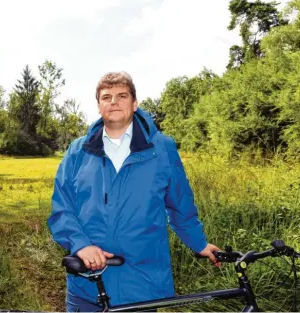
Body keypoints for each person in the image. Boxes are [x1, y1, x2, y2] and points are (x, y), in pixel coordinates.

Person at [47, 71, 221, 312]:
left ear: (135, 103)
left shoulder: (163, 149)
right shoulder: (78, 151)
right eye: (106, 97)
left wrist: (199, 243)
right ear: (98, 106)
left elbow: (180, 204)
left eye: (122, 95)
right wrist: (80, 244)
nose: (114, 102)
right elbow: (62, 206)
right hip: (87, 281)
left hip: (141, 282)